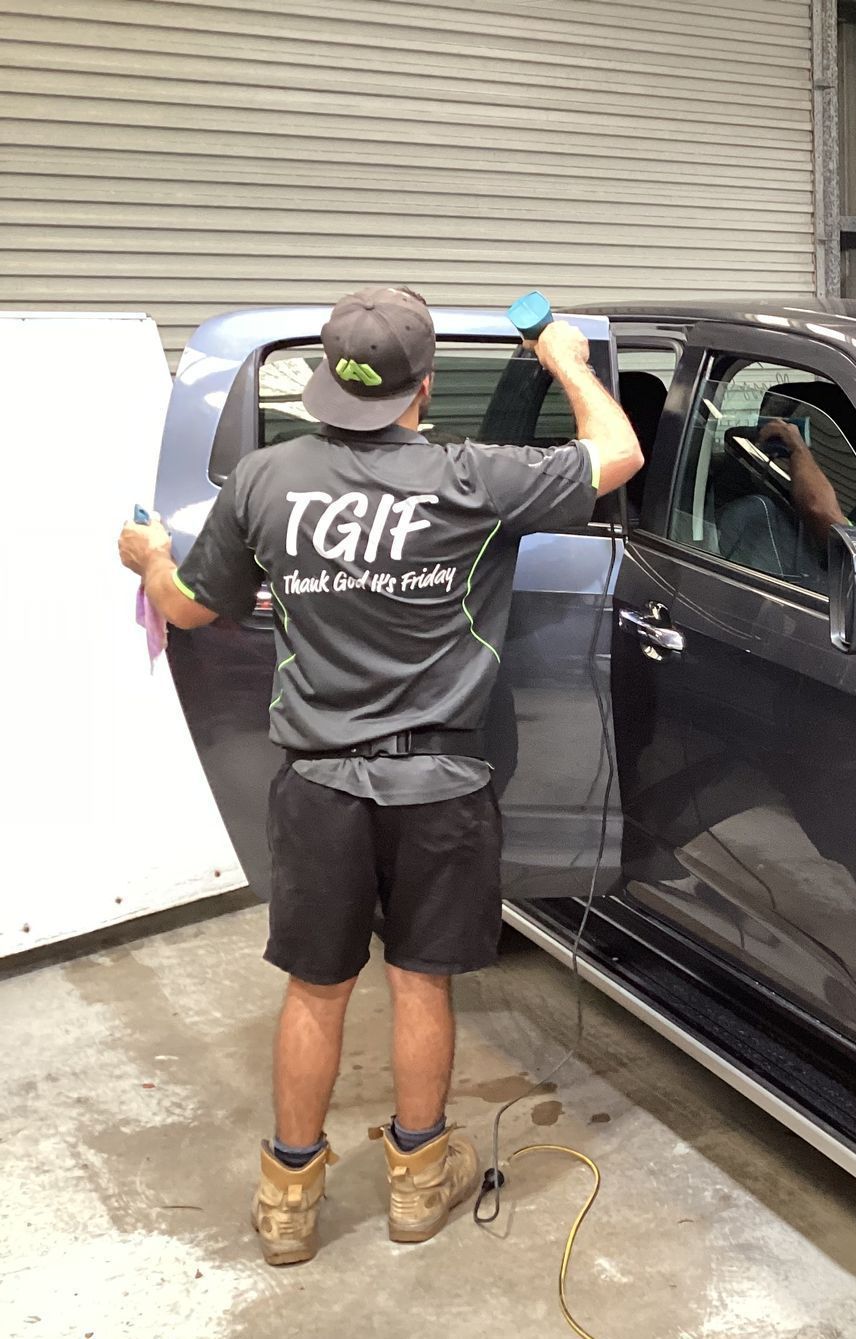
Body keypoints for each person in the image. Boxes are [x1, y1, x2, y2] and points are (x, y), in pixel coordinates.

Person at [116, 287, 642, 1265]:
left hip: (317, 785)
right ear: (424, 385)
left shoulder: (265, 480)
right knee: (418, 982)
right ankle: (413, 1183)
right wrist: (567, 362)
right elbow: (617, 455)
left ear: (325, 381)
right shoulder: (472, 476)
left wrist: (149, 557)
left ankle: (287, 1198)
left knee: (315, 990)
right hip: (439, 784)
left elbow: (191, 610)